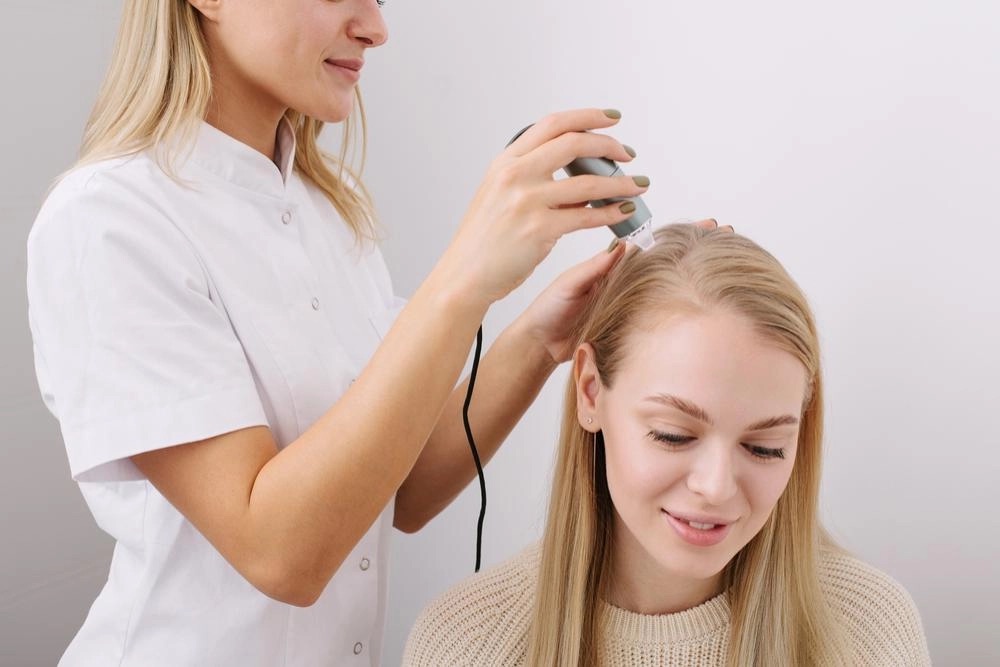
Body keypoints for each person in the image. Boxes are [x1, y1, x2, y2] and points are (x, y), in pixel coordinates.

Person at [24, 0, 658, 665]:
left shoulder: (327, 208)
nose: (375, 29)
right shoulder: (110, 221)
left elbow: (402, 491)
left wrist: (540, 340)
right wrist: (465, 277)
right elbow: (279, 553)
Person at [403, 224, 932, 666]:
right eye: (673, 435)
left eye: (765, 447)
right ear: (591, 391)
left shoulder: (868, 630)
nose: (716, 488)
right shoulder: (469, 644)